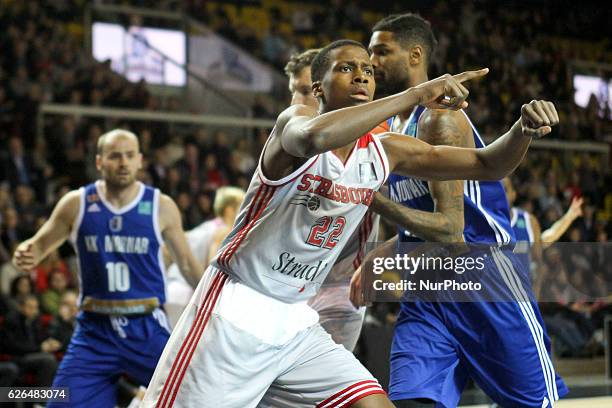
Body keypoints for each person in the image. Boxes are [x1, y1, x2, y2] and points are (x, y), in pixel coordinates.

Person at [143, 39, 557, 408]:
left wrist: (522, 131)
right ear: (319, 87)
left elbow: (487, 165)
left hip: (296, 319)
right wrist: (414, 95)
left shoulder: (385, 151)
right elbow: (314, 139)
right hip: (235, 306)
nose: (361, 74)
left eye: (368, 71)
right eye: (346, 68)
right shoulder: (295, 122)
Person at [350, 14, 566, 408]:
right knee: (413, 400)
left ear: (415, 55)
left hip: (484, 281)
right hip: (428, 288)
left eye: (382, 52)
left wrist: (367, 196)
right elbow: (418, 230)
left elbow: (452, 232)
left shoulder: (438, 118)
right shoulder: (391, 128)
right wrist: (378, 259)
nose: (372, 63)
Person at [12, 129, 202, 407]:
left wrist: (217, 299)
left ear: (140, 161)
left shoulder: (160, 205)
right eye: (115, 156)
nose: (123, 163)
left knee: (197, 396)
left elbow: (186, 263)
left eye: (129, 156)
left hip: (145, 325)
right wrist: (26, 252)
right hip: (94, 331)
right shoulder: (76, 204)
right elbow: (38, 246)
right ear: (99, 162)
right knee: (60, 401)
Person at [285, 48, 383, 351]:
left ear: (322, 88)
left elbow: (403, 211)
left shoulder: (375, 140)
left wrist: (378, 265)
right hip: (284, 281)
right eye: (293, 92)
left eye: (304, 92)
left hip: (339, 283)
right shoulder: (290, 134)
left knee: (327, 391)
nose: (296, 102)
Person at [165, 186, 245, 327]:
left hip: (171, 287)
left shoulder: (207, 226)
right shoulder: (223, 231)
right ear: (229, 210)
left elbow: (168, 247)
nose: (247, 212)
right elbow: (213, 268)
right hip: (185, 292)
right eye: (243, 206)